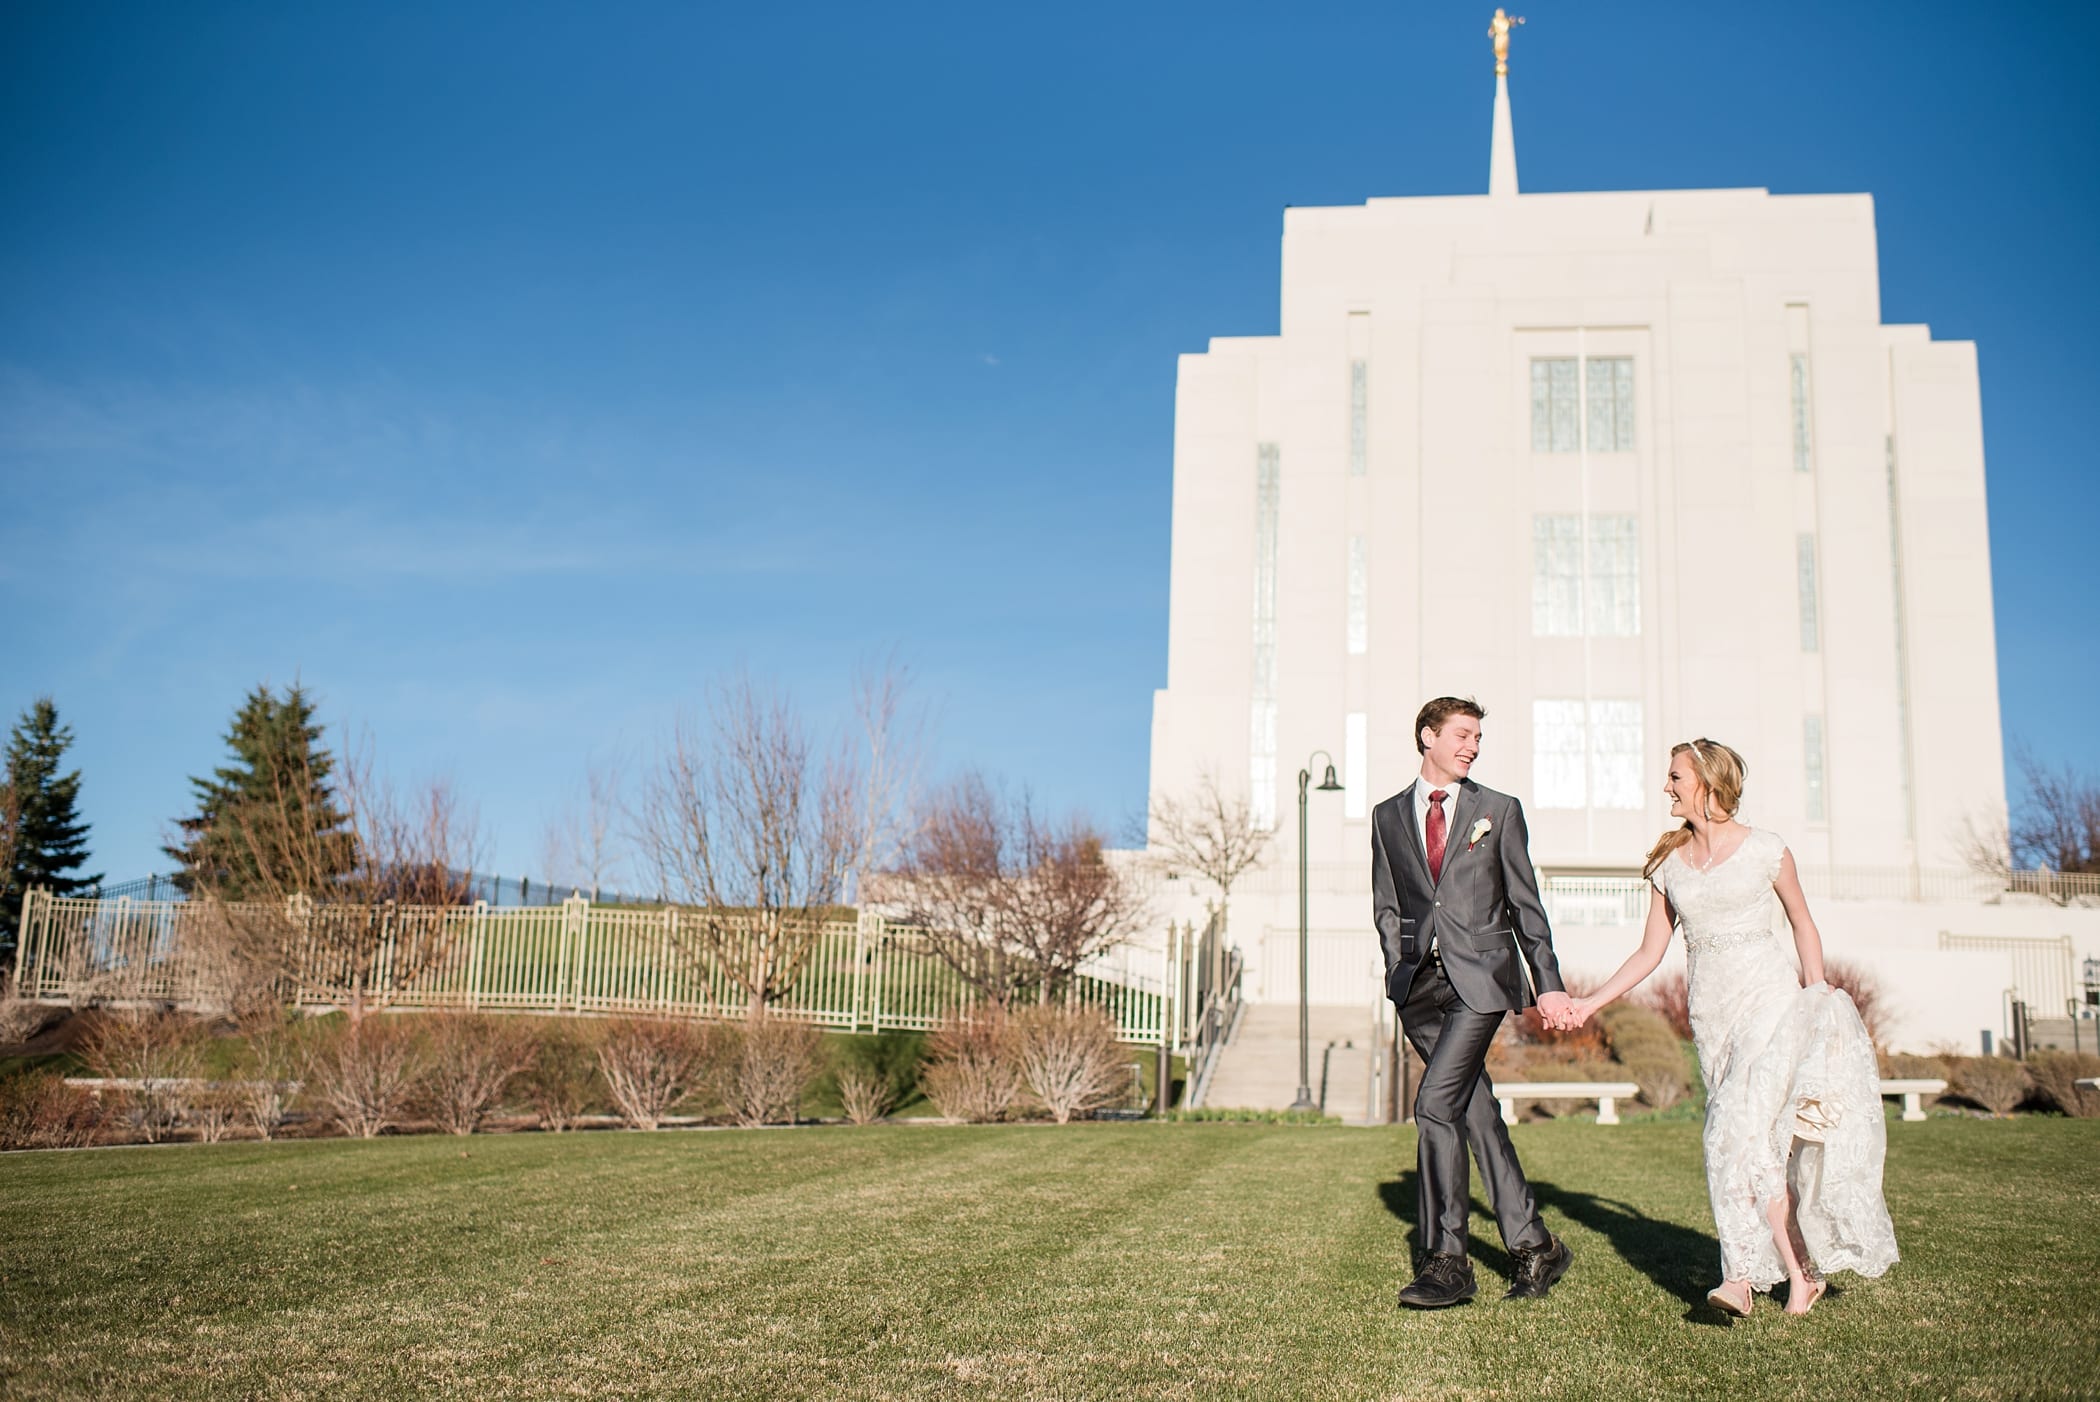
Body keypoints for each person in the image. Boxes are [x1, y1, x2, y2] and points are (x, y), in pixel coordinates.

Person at [1565, 739, 1899, 1316]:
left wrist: (1816, 995)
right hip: (1712, 1019)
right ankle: (1801, 1276)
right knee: (1752, 1145)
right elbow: (1649, 953)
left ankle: (1739, 1279)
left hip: (1768, 1003)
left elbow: (1802, 922)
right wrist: (1590, 1002)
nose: (1665, 787)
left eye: (1674, 777)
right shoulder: (1669, 865)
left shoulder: (1767, 850)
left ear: (1707, 784)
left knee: (1730, 1132)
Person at [1372, 696, 1576, 1308]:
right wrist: (1396, 963)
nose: (1472, 746)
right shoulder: (1387, 816)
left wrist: (1549, 982)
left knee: (1435, 1105)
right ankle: (1536, 1246)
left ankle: (1448, 1262)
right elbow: (1388, 902)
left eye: (1478, 737)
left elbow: (1525, 904)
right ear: (1427, 737)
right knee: (1475, 1109)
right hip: (1420, 990)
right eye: (1462, 734)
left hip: (1482, 981)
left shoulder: (1499, 811)